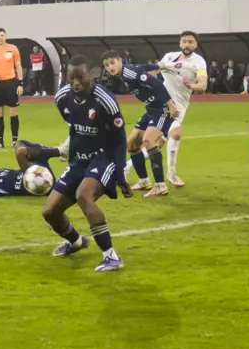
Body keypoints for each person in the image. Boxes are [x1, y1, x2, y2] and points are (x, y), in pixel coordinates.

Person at [41, 56, 130, 272]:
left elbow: (120, 140)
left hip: (104, 156)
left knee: (83, 195)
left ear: (90, 74)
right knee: (50, 211)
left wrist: (120, 176)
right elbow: (73, 125)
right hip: (79, 159)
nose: (76, 83)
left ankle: (111, 257)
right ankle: (76, 241)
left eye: (80, 77)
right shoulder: (62, 97)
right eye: (71, 78)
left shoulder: (105, 101)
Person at [103, 50, 180, 198]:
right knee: (131, 143)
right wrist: (158, 65)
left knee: (148, 141)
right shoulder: (125, 72)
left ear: (120, 61)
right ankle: (144, 181)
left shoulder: (129, 73)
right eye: (106, 65)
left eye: (112, 63)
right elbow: (143, 67)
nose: (110, 67)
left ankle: (160, 185)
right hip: (150, 109)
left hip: (162, 108)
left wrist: (170, 105)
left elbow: (157, 84)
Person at [153, 31, 208, 187]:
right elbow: (155, 70)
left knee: (159, 141)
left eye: (190, 42)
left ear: (196, 44)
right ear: (180, 43)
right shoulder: (169, 56)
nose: (187, 44)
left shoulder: (199, 61)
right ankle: (170, 173)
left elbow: (203, 85)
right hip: (161, 103)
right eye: (184, 41)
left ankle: (129, 168)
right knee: (164, 138)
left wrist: (192, 86)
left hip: (179, 105)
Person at [0, 28, 25, 148]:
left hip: (11, 82)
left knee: (13, 111)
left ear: (5, 36)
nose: (0, 37)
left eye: (2, 35)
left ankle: (14, 140)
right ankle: (0, 140)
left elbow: (18, 66)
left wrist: (20, 83)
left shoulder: (13, 49)